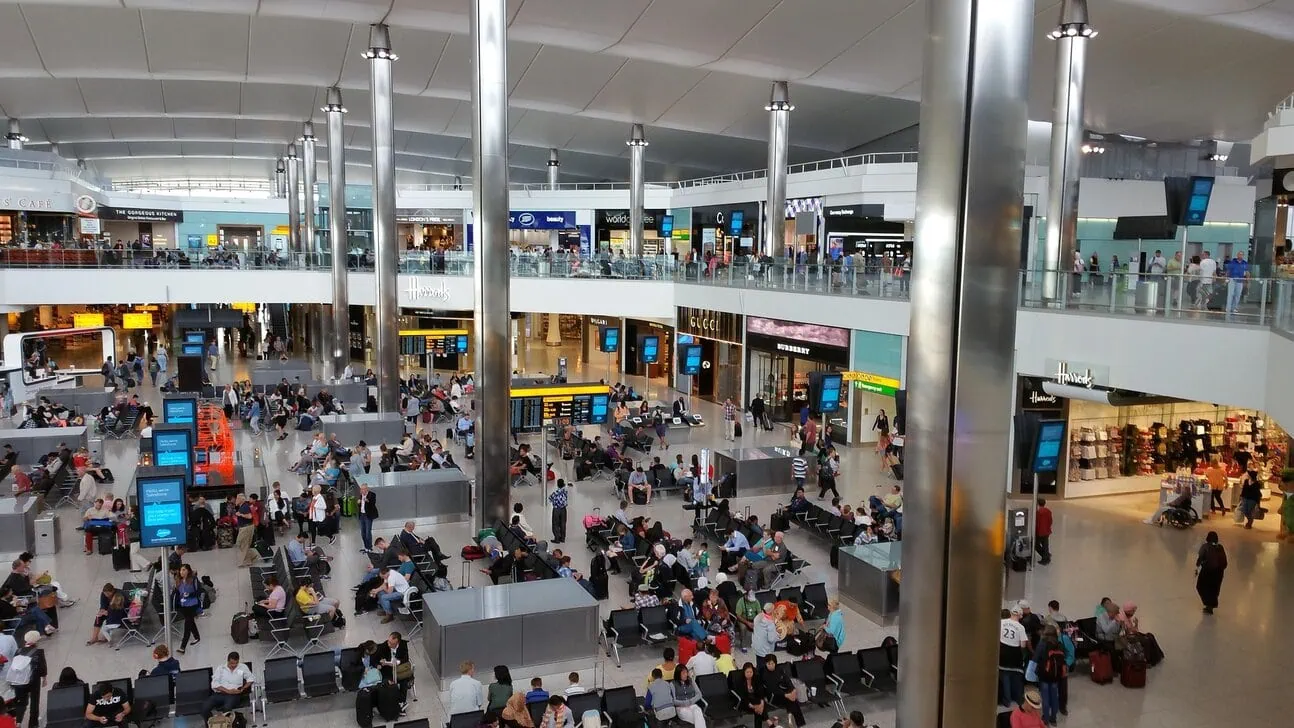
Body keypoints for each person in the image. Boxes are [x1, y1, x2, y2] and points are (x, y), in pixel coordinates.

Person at [202, 652, 253, 719]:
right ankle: (210, 722)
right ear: (228, 661)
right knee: (205, 708)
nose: (234, 665)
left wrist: (243, 688)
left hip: (234, 695)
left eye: (236, 663)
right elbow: (214, 684)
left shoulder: (242, 667)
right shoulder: (220, 668)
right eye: (232, 663)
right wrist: (228, 691)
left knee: (227, 708)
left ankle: (226, 723)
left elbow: (250, 679)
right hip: (220, 693)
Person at [1031, 625, 1065, 726]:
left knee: (1045, 698)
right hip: (1056, 675)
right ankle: (1053, 719)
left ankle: (1045, 719)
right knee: (1054, 697)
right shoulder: (1059, 644)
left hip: (1044, 675)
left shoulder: (1042, 643)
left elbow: (1035, 658)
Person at [759, 655, 805, 727]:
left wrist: (793, 689)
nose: (771, 666)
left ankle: (798, 723)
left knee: (793, 699)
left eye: (772, 663)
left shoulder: (779, 669)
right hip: (773, 695)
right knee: (792, 700)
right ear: (765, 664)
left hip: (782, 691)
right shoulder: (764, 673)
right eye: (768, 664)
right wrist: (787, 695)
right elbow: (772, 688)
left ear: (775, 663)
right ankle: (799, 723)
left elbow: (787, 679)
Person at [998, 606, 1028, 707]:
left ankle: (1007, 700)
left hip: (1003, 651)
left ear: (1011, 613)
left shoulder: (1001, 622)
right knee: (1016, 676)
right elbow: (1023, 645)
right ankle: (1018, 698)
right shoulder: (1021, 627)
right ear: (1020, 615)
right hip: (1015, 654)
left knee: (1005, 676)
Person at [376, 631, 413, 705]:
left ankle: (402, 702)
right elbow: (378, 658)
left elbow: (405, 658)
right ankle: (393, 702)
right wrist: (381, 662)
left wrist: (397, 662)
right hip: (388, 670)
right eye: (388, 642)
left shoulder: (403, 645)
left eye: (392, 643)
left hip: (400, 670)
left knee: (404, 682)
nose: (389, 644)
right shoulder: (384, 646)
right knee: (387, 683)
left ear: (397, 643)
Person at [1196, 531, 1227, 614]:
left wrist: (1197, 566)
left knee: (1201, 586)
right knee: (1214, 589)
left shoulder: (1205, 547)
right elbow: (1224, 562)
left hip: (1208, 571)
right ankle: (1211, 606)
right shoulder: (1220, 547)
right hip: (1219, 572)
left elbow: (1200, 558)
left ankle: (1208, 604)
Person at [173, 564, 202, 653]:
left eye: (184, 570)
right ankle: (197, 637)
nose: (182, 572)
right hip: (183, 605)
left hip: (192, 604)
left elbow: (198, 591)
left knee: (187, 624)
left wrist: (189, 594)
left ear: (188, 571)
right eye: (181, 570)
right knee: (190, 621)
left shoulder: (193, 580)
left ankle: (183, 646)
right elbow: (177, 592)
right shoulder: (179, 580)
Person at [732, 662, 768, 728]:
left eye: (751, 672)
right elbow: (742, 697)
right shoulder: (740, 681)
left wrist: (761, 704)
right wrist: (753, 706)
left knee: (760, 705)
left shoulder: (756, 678)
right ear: (744, 672)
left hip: (755, 700)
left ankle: (765, 722)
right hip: (745, 702)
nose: (749, 674)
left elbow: (761, 692)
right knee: (758, 709)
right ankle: (768, 721)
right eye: (747, 672)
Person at [357, 482, 378, 553]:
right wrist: (358, 503)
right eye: (361, 489)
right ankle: (366, 547)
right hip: (362, 515)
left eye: (363, 489)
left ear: (367, 489)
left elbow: (373, 504)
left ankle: (370, 547)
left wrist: (368, 501)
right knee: (363, 532)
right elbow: (360, 506)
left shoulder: (372, 494)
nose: (362, 491)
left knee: (368, 532)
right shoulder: (361, 495)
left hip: (368, 515)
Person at [549, 479, 569, 544]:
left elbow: (550, 498)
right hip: (563, 509)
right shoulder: (565, 491)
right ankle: (563, 538)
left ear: (557, 484)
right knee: (563, 523)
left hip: (556, 509)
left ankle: (557, 539)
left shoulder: (555, 493)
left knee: (555, 524)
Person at [1034, 499, 1053, 565]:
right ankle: (1046, 555)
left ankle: (1045, 557)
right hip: (1047, 530)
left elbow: (1037, 523)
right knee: (1045, 545)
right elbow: (1050, 521)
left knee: (1036, 545)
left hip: (1040, 531)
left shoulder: (1038, 512)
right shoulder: (1048, 511)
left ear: (1038, 504)